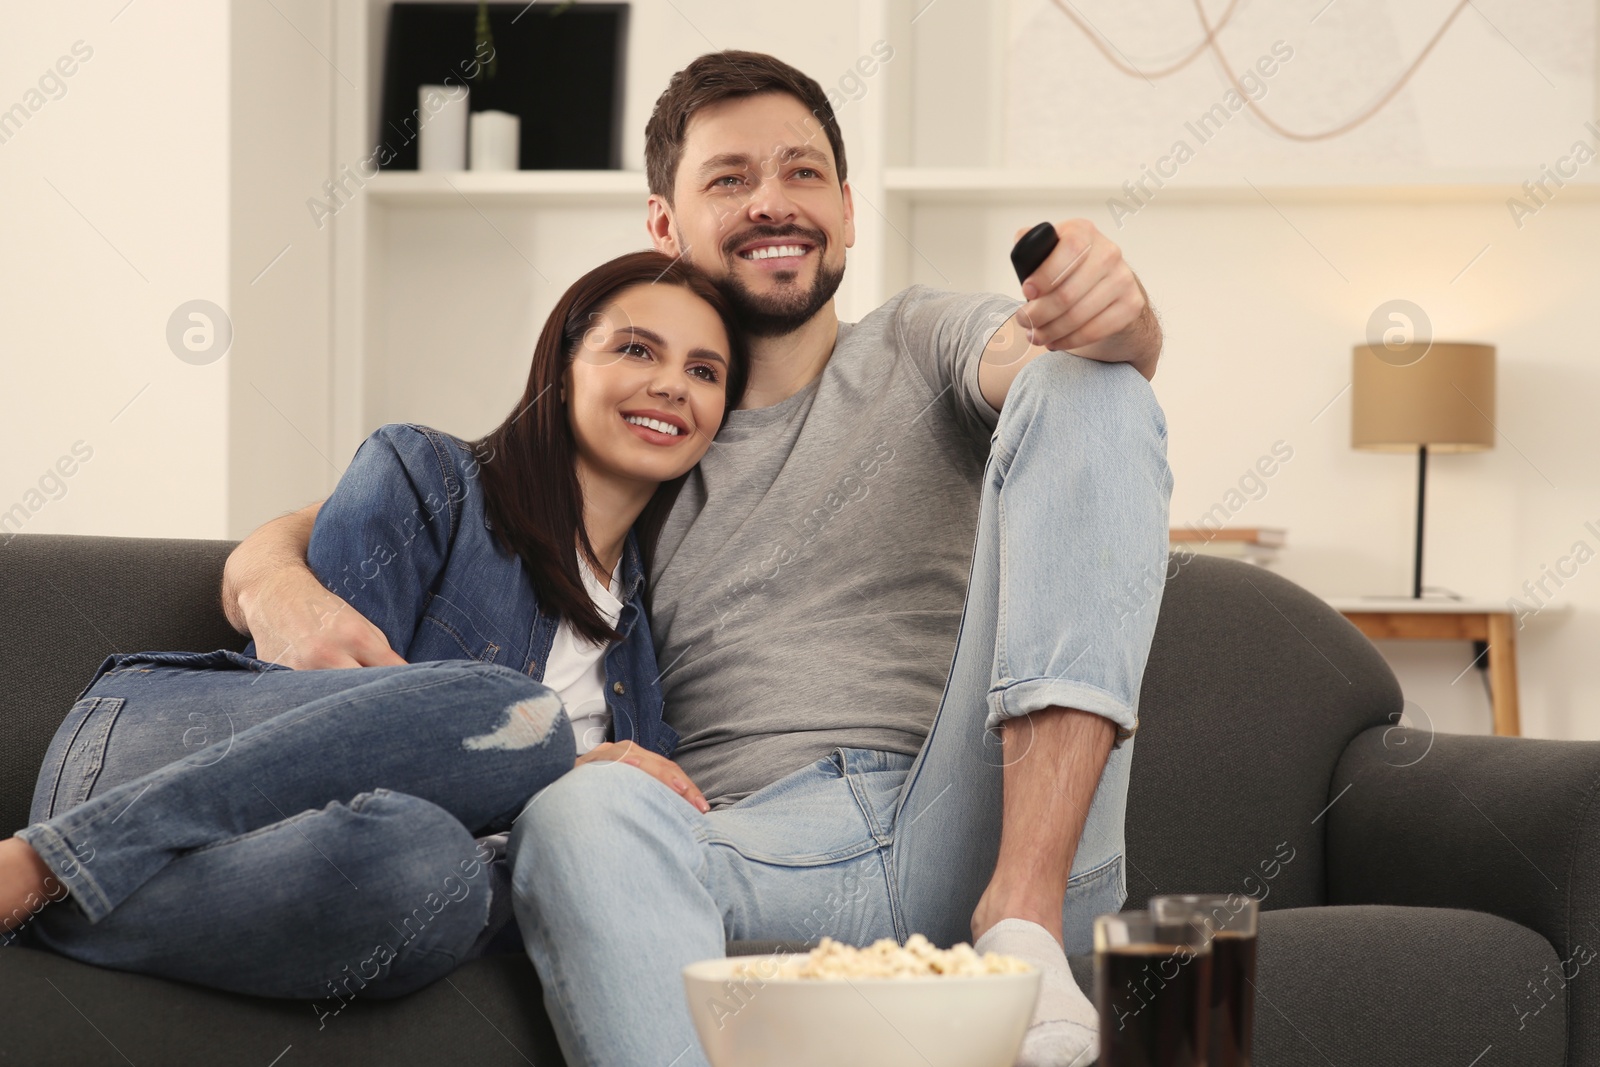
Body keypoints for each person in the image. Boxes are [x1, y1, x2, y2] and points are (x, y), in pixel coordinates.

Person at [219, 50, 1172, 1067]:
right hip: (754, 848)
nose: (775, 202)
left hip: (971, 807)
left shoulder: (919, 339)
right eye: (729, 179)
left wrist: (1115, 316)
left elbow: (1048, 356)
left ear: (848, 210)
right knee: (579, 805)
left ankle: (1020, 922)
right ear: (663, 224)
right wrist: (267, 577)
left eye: (803, 173)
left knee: (1095, 381)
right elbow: (413, 497)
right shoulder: (640, 434)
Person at [0, 252, 747, 1009]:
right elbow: (320, 729)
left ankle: (59, 915)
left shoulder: (647, 653)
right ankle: (40, 863)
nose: (671, 385)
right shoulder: (428, 476)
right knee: (520, 719)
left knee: (437, 877)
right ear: (563, 364)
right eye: (635, 348)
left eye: (705, 371)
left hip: (324, 865)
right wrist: (559, 770)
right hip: (159, 755)